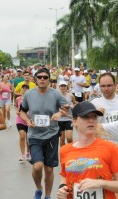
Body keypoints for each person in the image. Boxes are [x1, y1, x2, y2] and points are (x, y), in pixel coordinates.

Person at [57, 101, 118, 199]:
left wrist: (101, 183)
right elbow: (64, 178)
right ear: (74, 121)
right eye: (85, 117)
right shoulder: (65, 150)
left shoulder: (110, 148)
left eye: (94, 117)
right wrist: (61, 189)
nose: (91, 120)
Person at [19, 68, 69, 199]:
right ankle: (38, 188)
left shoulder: (56, 94)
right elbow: (22, 111)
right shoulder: (29, 94)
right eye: (39, 77)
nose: (42, 79)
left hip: (51, 134)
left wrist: (59, 113)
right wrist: (27, 121)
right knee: (37, 166)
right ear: (35, 79)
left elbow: (67, 108)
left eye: (45, 77)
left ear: (49, 79)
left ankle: (47, 195)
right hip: (34, 135)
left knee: (49, 169)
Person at [58, 81, 77, 147]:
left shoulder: (70, 95)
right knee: (62, 139)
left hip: (68, 118)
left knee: (69, 138)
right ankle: (63, 155)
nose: (63, 87)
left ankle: (71, 150)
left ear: (67, 87)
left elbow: (75, 103)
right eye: (62, 86)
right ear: (59, 87)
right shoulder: (56, 96)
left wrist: (71, 107)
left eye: (64, 86)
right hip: (59, 119)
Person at [15, 84, 30, 162]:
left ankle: (28, 153)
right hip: (20, 120)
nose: (24, 89)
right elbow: (15, 106)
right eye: (23, 88)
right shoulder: (18, 98)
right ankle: (22, 154)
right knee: (22, 136)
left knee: (28, 138)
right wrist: (17, 111)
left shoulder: (31, 99)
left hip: (29, 119)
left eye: (26, 88)